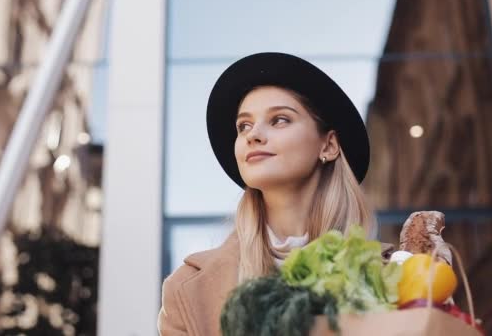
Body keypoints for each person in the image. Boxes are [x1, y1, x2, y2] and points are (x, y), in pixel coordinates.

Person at [158, 52, 393, 335]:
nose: (253, 135)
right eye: (243, 125)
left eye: (280, 120)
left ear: (329, 145)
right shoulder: (187, 289)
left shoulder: (392, 275)